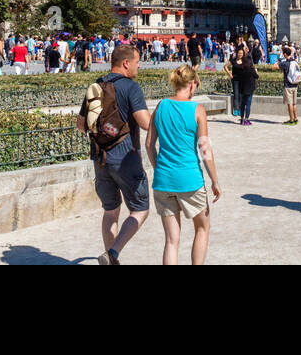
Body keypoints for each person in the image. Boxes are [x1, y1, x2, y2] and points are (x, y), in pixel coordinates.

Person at [77, 43, 153, 265]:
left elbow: (81, 124)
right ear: (126, 63)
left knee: (110, 212)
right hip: (126, 158)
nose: (139, 66)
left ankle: (111, 259)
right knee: (140, 210)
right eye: (138, 62)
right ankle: (112, 254)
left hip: (100, 158)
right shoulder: (131, 87)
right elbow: (145, 123)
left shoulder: (97, 85)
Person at [146, 64, 220, 265]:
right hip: (189, 179)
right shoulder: (197, 109)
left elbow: (149, 144)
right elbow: (205, 149)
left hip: (163, 180)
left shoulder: (161, 106)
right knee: (202, 228)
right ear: (192, 84)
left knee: (171, 240)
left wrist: (157, 167)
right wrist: (214, 180)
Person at [230, 44, 258, 126]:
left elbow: (238, 77)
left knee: (242, 103)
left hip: (242, 88)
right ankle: (247, 119)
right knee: (248, 104)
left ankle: (242, 119)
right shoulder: (251, 70)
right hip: (249, 89)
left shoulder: (241, 71)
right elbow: (257, 76)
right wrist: (255, 70)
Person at [276, 43, 301, 124]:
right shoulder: (295, 62)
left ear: (284, 54)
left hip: (288, 85)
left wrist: (277, 61)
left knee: (289, 104)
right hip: (295, 84)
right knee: (294, 103)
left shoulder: (284, 63)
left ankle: (291, 120)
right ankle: (295, 119)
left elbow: (273, 67)